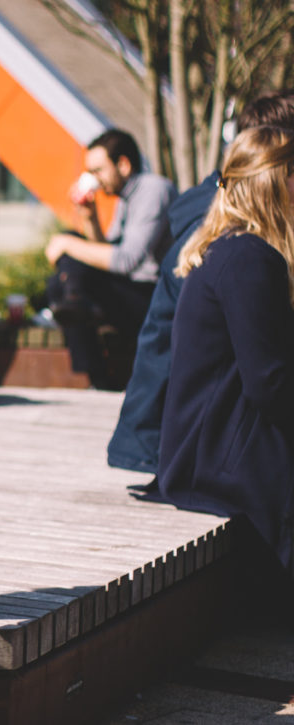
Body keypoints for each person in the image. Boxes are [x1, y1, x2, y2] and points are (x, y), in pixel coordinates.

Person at [108, 91, 294, 471]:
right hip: (182, 445)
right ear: (271, 160)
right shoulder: (238, 249)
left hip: (190, 438)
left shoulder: (230, 228)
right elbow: (264, 375)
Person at [156, 125, 294, 572]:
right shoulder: (249, 259)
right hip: (220, 463)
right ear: (275, 181)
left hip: (210, 454)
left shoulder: (231, 249)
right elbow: (269, 383)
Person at [45, 129, 176, 389]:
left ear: (123, 165)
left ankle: (76, 303)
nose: (93, 179)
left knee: (70, 254)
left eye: (98, 171)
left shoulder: (153, 190)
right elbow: (105, 251)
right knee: (60, 279)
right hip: (131, 289)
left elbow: (127, 261)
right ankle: (76, 303)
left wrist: (69, 245)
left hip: (155, 297)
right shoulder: (125, 198)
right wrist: (89, 217)